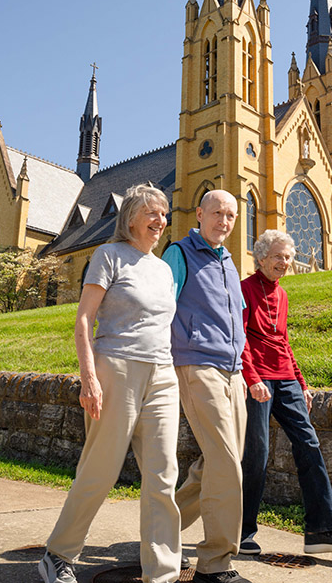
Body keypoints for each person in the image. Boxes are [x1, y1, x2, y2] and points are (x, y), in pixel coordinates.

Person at [39, 184, 181, 583]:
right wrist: (89, 378)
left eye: (165, 214)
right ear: (131, 216)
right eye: (152, 213)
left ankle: (163, 573)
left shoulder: (164, 268)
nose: (161, 221)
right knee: (100, 470)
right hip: (116, 367)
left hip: (162, 374)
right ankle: (59, 553)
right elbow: (84, 320)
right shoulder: (109, 255)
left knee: (163, 475)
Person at [239, 230, 332, 555]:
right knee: (256, 455)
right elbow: (241, 341)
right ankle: (242, 532)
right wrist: (252, 378)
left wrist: (301, 383)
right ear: (261, 257)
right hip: (258, 381)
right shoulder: (244, 290)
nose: (285, 262)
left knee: (309, 444)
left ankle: (321, 531)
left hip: (286, 379)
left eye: (288, 256)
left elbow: (284, 342)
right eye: (278, 256)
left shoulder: (283, 295)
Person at [162, 190, 253, 583]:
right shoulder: (179, 254)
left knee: (216, 462)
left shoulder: (230, 263)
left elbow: (239, 324)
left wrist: (247, 372)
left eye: (231, 215)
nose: (224, 221)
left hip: (234, 373)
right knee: (225, 461)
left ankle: (160, 529)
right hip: (196, 365)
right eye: (217, 213)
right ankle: (215, 564)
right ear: (199, 213)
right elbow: (159, 309)